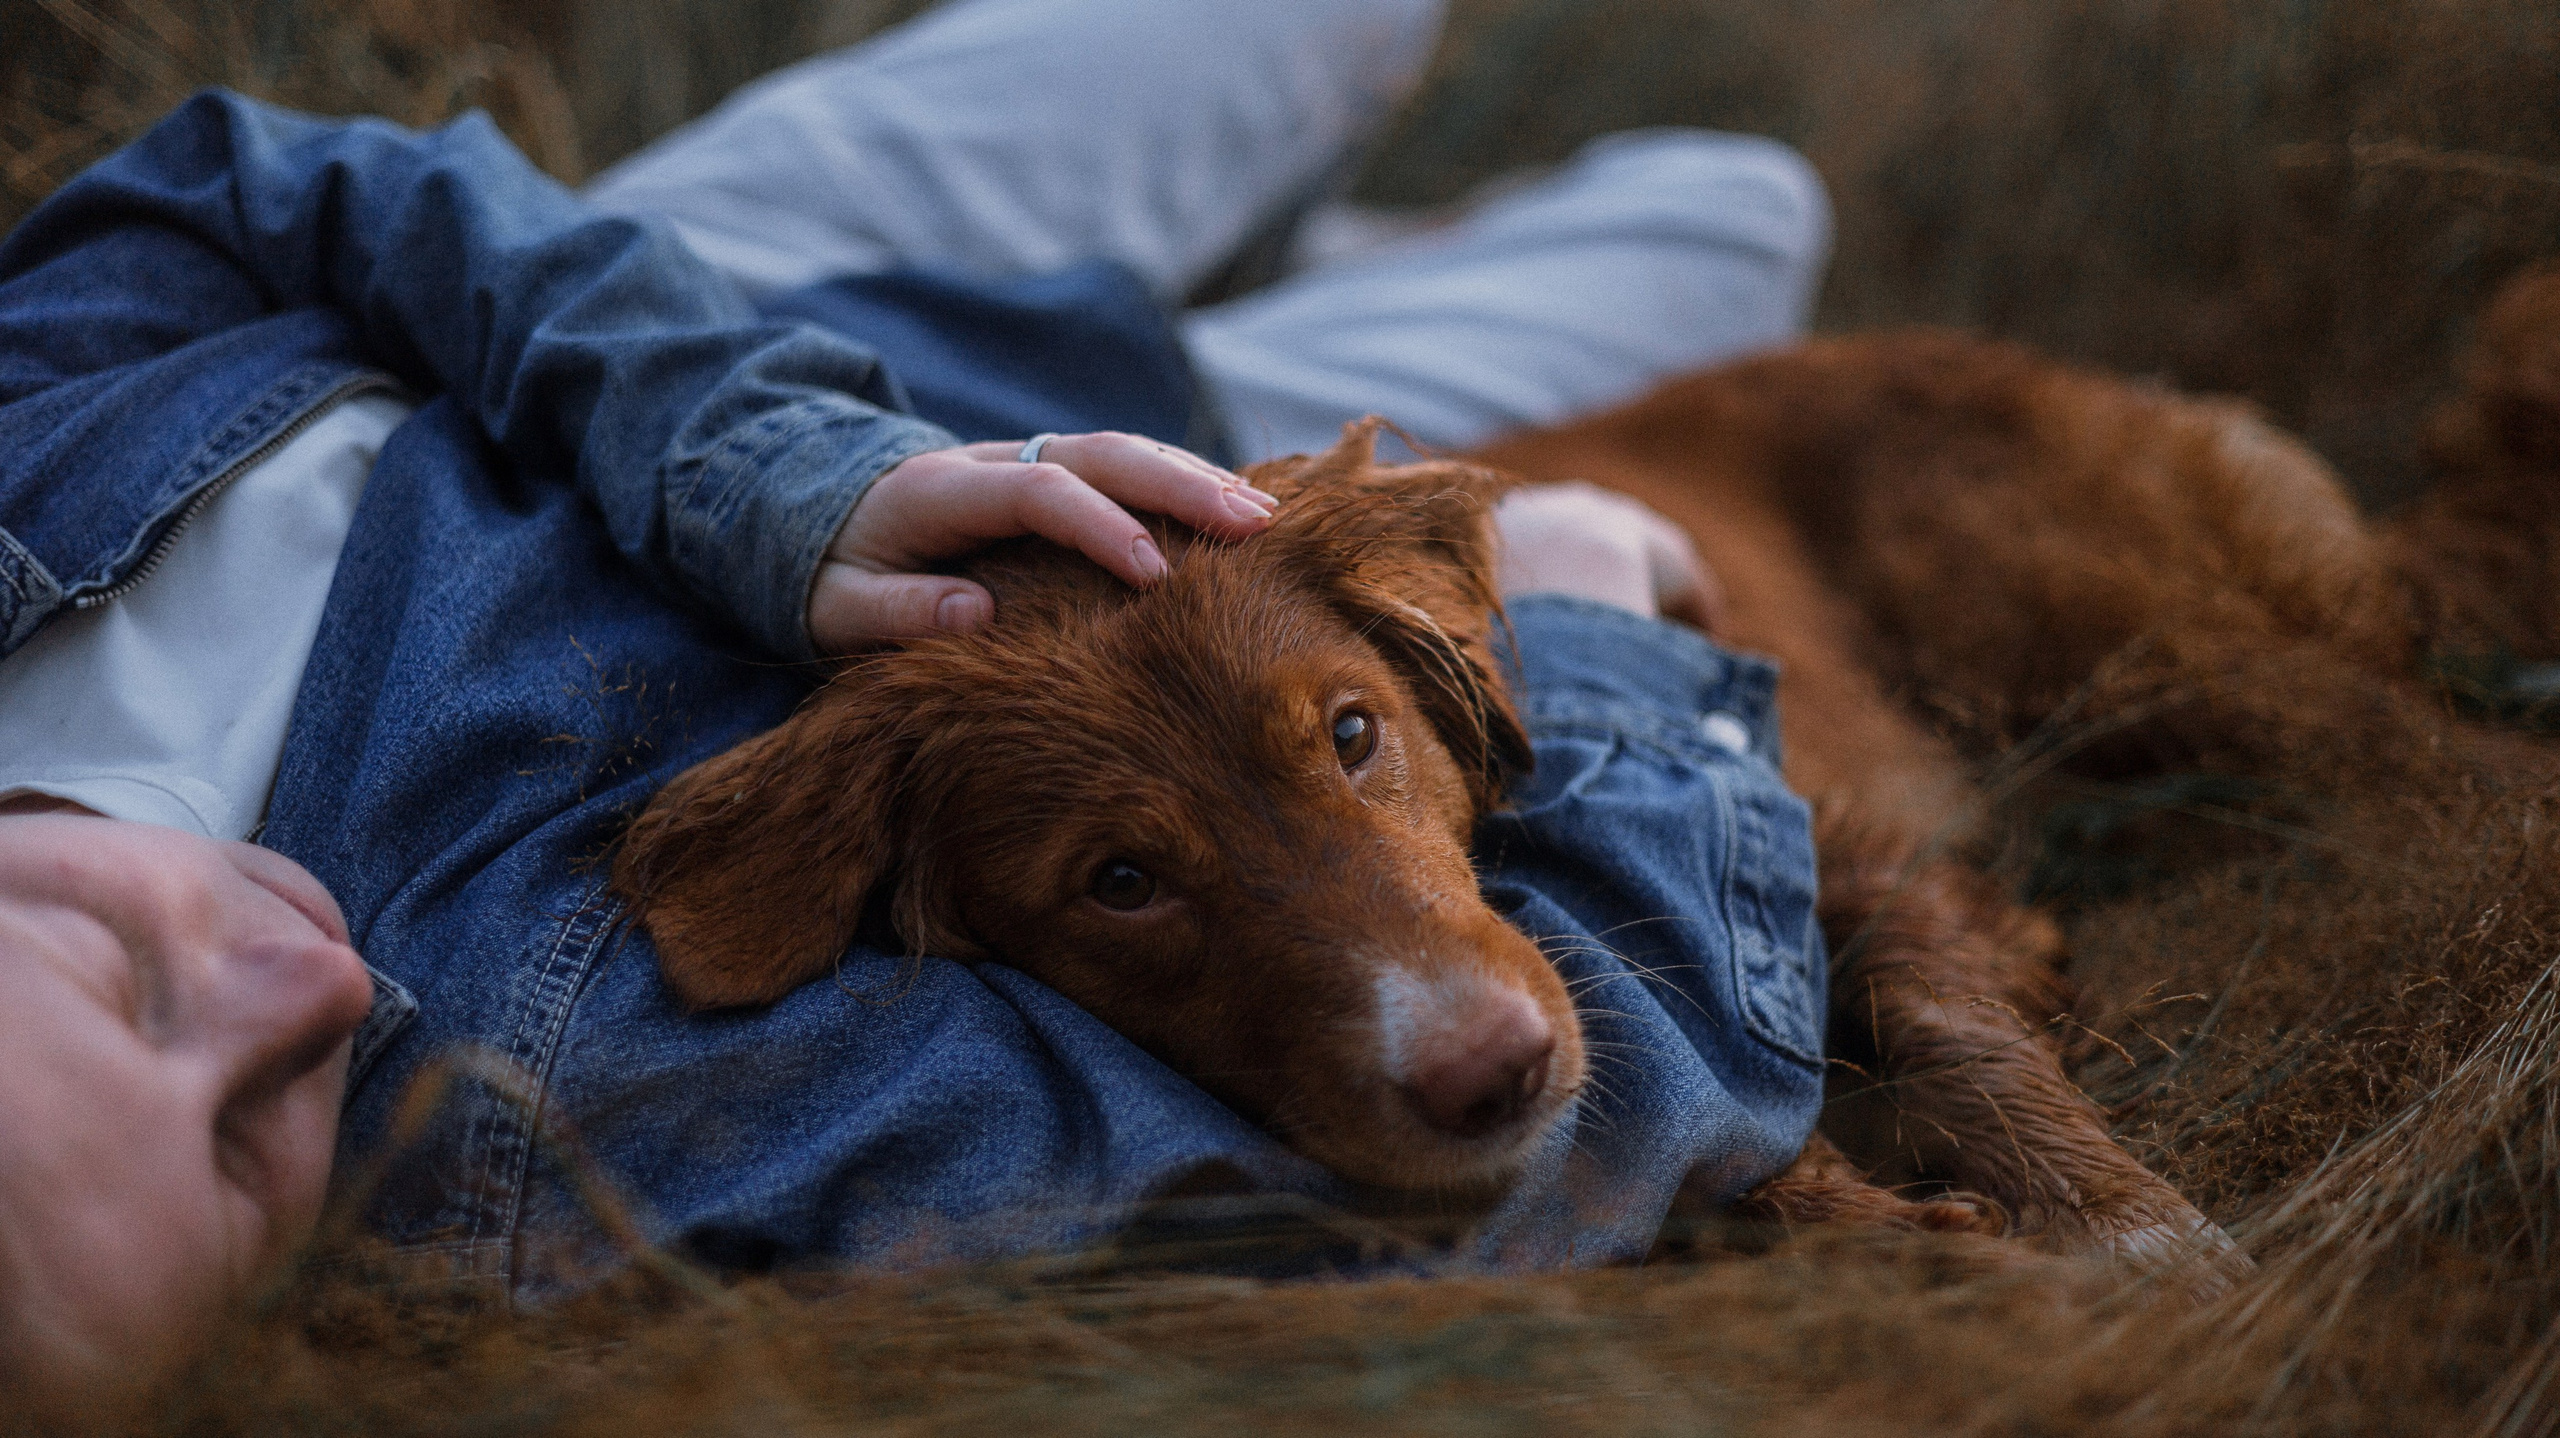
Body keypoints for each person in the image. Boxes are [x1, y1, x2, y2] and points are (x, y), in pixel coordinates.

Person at [0, 0, 1832, 1415]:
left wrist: (773, 470)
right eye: (248, 1161)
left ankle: (1304, 242)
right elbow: (1537, 1156)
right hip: (1174, 497)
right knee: (1743, 214)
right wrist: (1597, 643)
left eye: (117, 973)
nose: (309, 987)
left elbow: (251, 188)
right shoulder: (531, 1129)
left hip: (676, 288)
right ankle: (1304, 294)